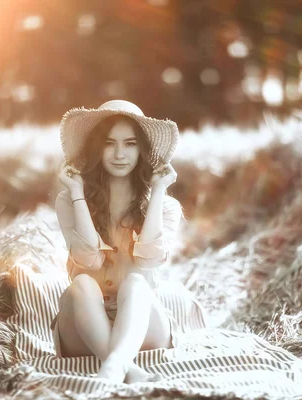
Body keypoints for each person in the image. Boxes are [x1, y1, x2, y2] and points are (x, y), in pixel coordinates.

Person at [51, 100, 195, 384]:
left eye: (129, 143)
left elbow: (148, 260)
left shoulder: (166, 206)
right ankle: (125, 370)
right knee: (81, 283)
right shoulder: (68, 200)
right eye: (109, 143)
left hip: (143, 325)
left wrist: (157, 192)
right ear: (97, 148)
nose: (120, 154)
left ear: (142, 149)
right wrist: (78, 194)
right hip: (83, 325)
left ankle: (113, 368)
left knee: (136, 282)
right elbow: (88, 259)